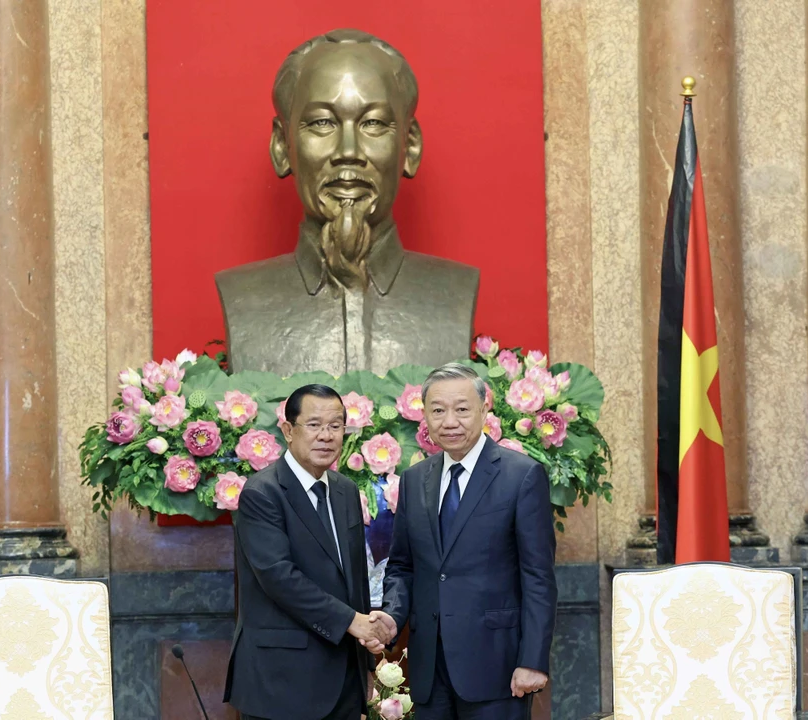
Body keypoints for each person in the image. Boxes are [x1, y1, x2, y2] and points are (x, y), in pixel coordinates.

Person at [215, 29, 478, 377]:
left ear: (409, 147)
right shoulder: (243, 297)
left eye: (373, 123)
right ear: (282, 146)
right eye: (322, 123)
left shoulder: (455, 292)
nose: (349, 152)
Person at [375, 363, 558, 719]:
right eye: (438, 410)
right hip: (429, 666)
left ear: (484, 409)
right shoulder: (414, 480)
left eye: (462, 409)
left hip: (498, 666)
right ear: (424, 415)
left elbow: (538, 576)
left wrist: (533, 660)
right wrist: (392, 616)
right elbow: (402, 565)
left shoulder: (521, 476)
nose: (449, 421)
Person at [224, 384, 384, 720]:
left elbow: (354, 579)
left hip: (343, 679)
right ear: (287, 431)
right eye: (313, 425)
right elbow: (279, 577)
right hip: (282, 681)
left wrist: (365, 664)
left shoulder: (345, 490)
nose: (326, 436)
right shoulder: (262, 493)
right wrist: (352, 622)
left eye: (335, 426)